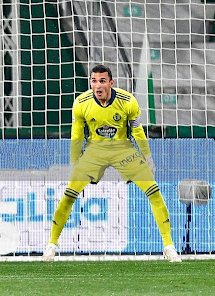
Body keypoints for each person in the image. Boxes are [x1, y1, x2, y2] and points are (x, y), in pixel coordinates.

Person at [42, 65, 181, 262]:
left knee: (154, 192)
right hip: (94, 151)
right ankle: (52, 244)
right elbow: (77, 134)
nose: (97, 85)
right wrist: (74, 162)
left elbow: (137, 131)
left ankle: (168, 246)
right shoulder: (81, 103)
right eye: (93, 81)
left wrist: (147, 157)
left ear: (111, 83)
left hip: (123, 150)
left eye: (102, 81)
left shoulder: (127, 101)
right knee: (68, 195)